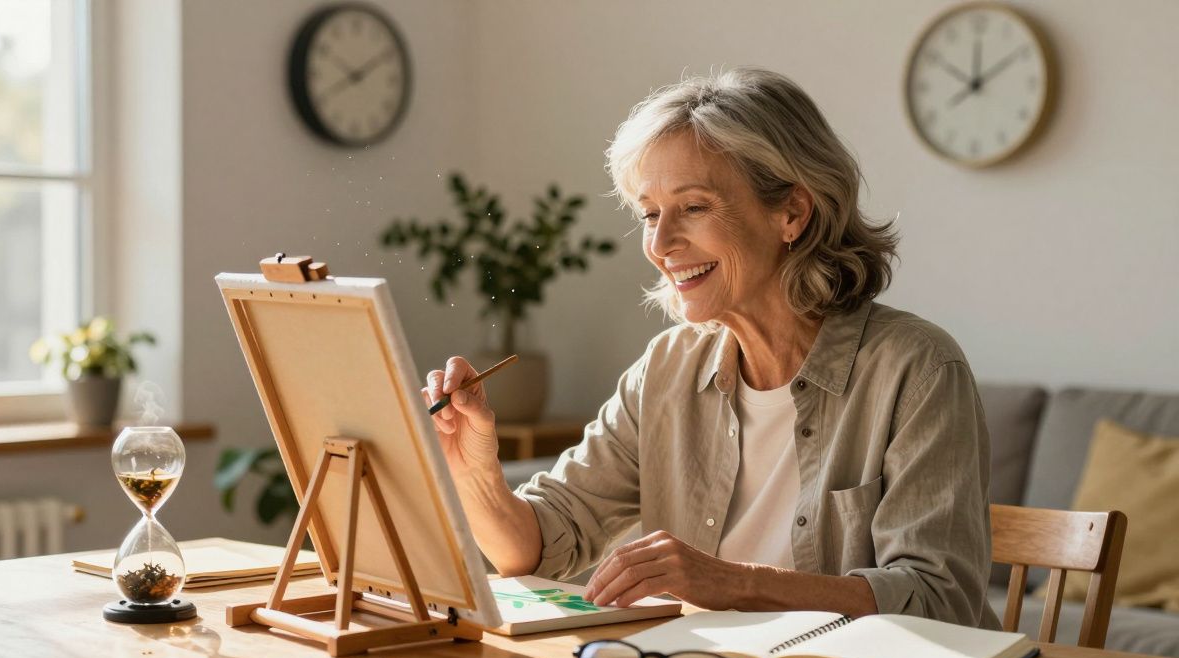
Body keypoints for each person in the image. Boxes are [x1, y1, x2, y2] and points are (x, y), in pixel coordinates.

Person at [421, 68, 1000, 629]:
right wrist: (476, 472)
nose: (661, 243)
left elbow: (937, 600)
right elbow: (537, 548)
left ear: (792, 212)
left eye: (694, 208)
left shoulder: (917, 368)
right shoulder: (668, 368)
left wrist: (733, 583)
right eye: (650, 214)